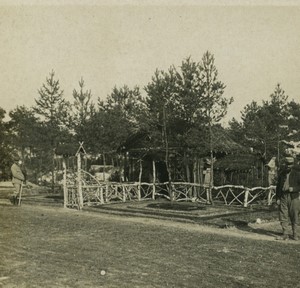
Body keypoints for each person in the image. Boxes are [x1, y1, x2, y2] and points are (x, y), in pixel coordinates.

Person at [275, 156, 300, 240]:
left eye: (290, 164)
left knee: (294, 215)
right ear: (285, 164)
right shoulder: (282, 173)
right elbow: (278, 186)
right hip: (283, 196)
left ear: (293, 164)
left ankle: (295, 234)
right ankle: (285, 234)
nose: (288, 166)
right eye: (287, 164)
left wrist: (294, 189)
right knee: (283, 215)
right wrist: (277, 198)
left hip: (293, 197)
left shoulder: (297, 174)